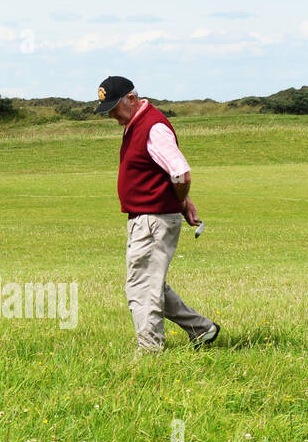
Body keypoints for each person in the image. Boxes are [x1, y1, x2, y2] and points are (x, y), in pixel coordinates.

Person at [94, 77, 219, 352]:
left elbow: (180, 172)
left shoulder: (153, 127)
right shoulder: (136, 123)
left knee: (142, 287)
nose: (112, 114)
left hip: (153, 220)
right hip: (147, 217)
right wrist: (182, 202)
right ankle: (202, 329)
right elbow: (166, 174)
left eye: (114, 107)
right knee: (150, 283)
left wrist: (180, 199)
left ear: (131, 98)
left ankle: (150, 350)